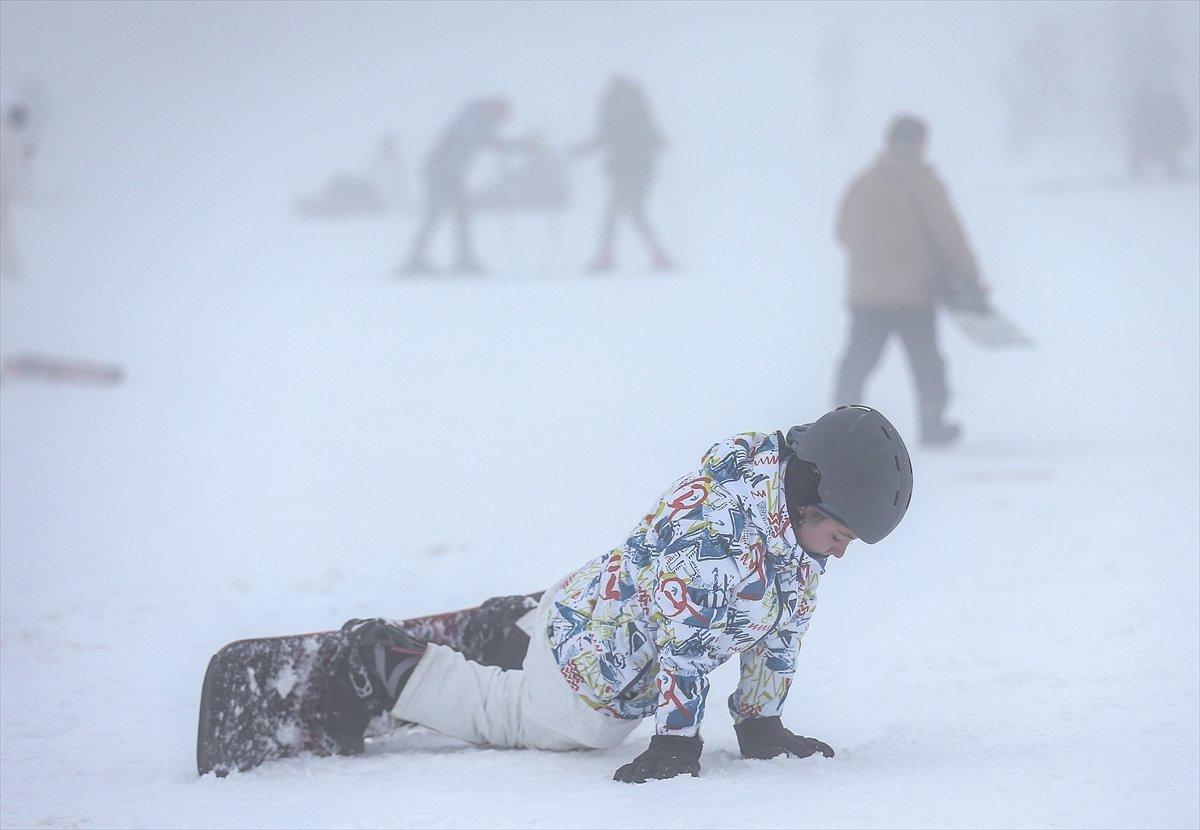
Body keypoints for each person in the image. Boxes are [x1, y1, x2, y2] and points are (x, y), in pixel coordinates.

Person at [310, 405, 913, 783]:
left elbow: (781, 630)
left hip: (592, 604)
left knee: (582, 630)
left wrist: (761, 724)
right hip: (588, 680)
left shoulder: (787, 532)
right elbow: (687, 650)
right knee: (518, 718)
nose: (840, 551)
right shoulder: (715, 545)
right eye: (840, 535)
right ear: (811, 503)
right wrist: (676, 742)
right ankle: (387, 666)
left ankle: (517, 629)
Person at [833, 115, 986, 447]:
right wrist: (970, 276)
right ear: (919, 142)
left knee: (858, 361)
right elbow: (949, 235)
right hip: (914, 295)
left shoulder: (862, 183)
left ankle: (837, 426)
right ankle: (932, 424)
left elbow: (842, 233)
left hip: (867, 296)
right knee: (926, 362)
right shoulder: (922, 182)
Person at [400, 97, 526, 276]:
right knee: (436, 214)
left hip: (450, 173)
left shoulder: (479, 121)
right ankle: (417, 259)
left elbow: (489, 142)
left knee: (460, 214)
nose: (499, 121)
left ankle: (461, 258)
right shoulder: (472, 118)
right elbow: (480, 138)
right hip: (440, 171)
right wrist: (512, 145)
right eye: (500, 116)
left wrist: (514, 146)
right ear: (493, 108)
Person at [574, 75, 672, 272]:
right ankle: (657, 256)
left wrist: (581, 150)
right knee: (632, 211)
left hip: (623, 168)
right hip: (643, 167)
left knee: (619, 212)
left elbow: (604, 137)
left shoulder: (612, 108)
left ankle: (608, 256)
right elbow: (653, 135)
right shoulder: (639, 108)